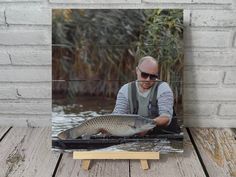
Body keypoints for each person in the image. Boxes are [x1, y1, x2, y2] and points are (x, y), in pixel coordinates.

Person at [112, 56, 174, 132]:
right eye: (144, 75)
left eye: (152, 76)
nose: (148, 80)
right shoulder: (125, 90)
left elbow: (166, 118)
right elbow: (117, 117)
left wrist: (145, 127)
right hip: (134, 133)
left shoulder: (163, 88)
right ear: (137, 70)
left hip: (163, 135)